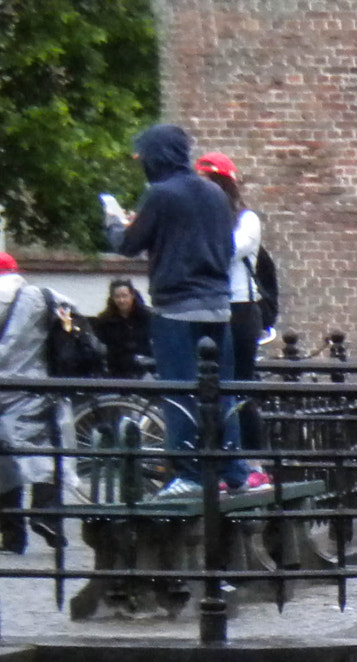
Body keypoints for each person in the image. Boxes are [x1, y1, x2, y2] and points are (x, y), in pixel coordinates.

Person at [100, 123, 254, 494]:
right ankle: (235, 470)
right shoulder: (215, 195)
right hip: (219, 307)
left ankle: (187, 474)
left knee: (180, 390)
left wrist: (111, 218)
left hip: (176, 307)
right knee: (222, 391)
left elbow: (128, 244)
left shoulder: (161, 195)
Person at [0, 250, 73, 552]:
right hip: (39, 382)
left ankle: (13, 535)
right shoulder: (44, 294)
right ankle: (46, 512)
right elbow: (70, 321)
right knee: (43, 449)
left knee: (4, 459)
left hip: (0, 383)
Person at [194, 151, 268, 475]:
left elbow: (228, 250)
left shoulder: (246, 219)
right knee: (209, 386)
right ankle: (214, 459)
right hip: (207, 305)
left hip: (239, 308)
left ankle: (252, 461)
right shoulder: (199, 218)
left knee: (239, 386)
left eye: (208, 183)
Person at [92, 278, 153, 379]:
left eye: (125, 296)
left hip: (145, 368)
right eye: (117, 297)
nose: (121, 300)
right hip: (116, 369)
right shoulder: (104, 320)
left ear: (132, 296)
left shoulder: (147, 316)